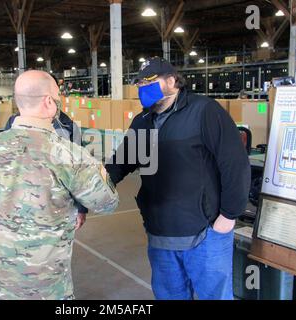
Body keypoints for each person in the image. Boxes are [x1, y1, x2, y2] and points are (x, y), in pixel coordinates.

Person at [0, 70, 118, 300]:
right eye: (57, 96)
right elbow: (107, 203)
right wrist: (96, 168)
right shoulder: (69, 155)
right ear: (49, 102)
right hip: (47, 287)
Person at [105, 57, 250, 300]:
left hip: (205, 234)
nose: (143, 88)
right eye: (140, 83)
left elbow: (234, 163)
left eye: (150, 82)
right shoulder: (143, 121)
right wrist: (86, 195)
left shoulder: (203, 111)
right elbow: (121, 163)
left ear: (172, 81)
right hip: (160, 233)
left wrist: (229, 215)